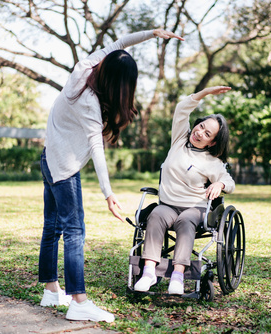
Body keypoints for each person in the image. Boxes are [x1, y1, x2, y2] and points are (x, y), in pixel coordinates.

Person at [38, 29, 184, 322]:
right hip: (64, 169)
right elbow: (97, 149)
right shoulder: (90, 104)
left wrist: (153, 34)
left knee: (52, 227)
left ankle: (52, 290)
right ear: (122, 85)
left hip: (48, 157)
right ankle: (78, 301)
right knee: (75, 232)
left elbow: (119, 43)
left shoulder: (86, 67)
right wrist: (108, 193)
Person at [134, 86, 235, 295]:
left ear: (212, 142)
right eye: (200, 126)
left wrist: (220, 184)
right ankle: (149, 272)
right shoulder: (179, 139)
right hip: (168, 204)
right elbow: (181, 109)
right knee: (156, 215)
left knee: (185, 221)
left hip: (194, 208)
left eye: (207, 134)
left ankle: (178, 276)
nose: (199, 133)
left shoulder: (213, 162)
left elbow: (229, 181)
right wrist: (205, 93)